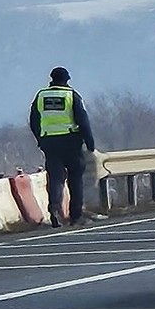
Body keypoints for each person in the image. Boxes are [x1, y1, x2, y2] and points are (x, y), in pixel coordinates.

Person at [28, 67, 96, 227]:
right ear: (67, 80)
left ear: (51, 79)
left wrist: (40, 138)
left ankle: (55, 210)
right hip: (71, 141)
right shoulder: (71, 96)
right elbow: (83, 121)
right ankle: (75, 216)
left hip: (50, 143)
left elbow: (33, 121)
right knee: (75, 178)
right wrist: (90, 143)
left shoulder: (41, 96)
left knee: (56, 177)